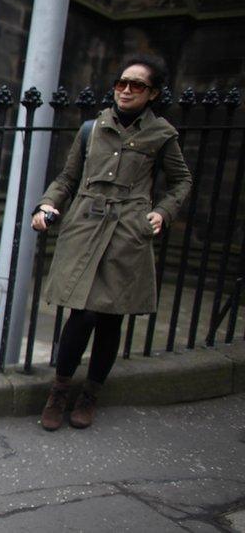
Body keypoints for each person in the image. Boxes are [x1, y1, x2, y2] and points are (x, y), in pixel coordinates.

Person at [32, 54, 192, 431]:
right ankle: (59, 390)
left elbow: (182, 181)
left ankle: (90, 394)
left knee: (109, 317)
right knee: (81, 313)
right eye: (121, 82)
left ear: (152, 93)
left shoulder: (161, 134)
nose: (125, 90)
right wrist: (47, 204)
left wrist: (163, 212)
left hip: (126, 233)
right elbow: (68, 177)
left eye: (136, 85)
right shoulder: (92, 128)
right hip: (86, 225)